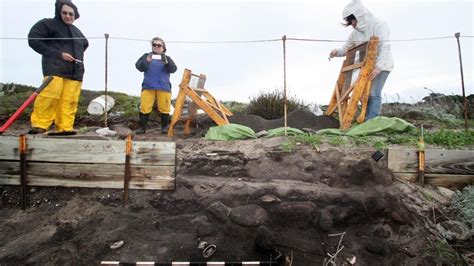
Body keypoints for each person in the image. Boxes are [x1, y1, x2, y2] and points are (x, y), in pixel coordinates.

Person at [27, 0, 88, 134]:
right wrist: (58, 54)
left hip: (75, 72)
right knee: (49, 96)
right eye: (64, 13)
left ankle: (65, 127)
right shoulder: (47, 24)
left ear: (75, 15)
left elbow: (85, 44)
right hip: (55, 68)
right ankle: (40, 125)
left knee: (70, 101)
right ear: (59, 12)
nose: (68, 16)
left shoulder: (77, 32)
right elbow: (33, 39)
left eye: (71, 14)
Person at [329, 0, 394, 121]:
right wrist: (336, 52)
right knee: (363, 95)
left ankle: (371, 121)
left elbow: (385, 46)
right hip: (366, 68)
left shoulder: (378, 23)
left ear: (358, 15)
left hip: (383, 65)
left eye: (352, 21)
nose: (352, 24)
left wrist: (378, 67)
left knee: (373, 93)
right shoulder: (355, 34)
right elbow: (346, 48)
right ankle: (366, 118)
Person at [135, 37, 177, 134]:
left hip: (164, 87)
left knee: (165, 108)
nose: (157, 47)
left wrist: (166, 63)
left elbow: (173, 69)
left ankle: (164, 128)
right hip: (148, 86)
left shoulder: (167, 58)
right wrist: (147, 61)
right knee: (144, 107)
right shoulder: (146, 56)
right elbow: (138, 67)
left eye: (159, 45)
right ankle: (142, 128)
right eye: (154, 45)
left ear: (163, 47)